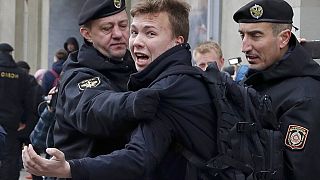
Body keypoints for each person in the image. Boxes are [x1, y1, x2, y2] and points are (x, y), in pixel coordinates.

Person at [22, 0, 218, 179]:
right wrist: (134, 102)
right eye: (107, 28)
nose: (118, 34)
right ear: (87, 34)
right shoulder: (78, 74)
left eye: (123, 26)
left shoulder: (142, 69)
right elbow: (93, 108)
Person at [233, 0, 320, 179]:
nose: (245, 47)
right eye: (242, 35)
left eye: (255, 36)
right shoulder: (256, 80)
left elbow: (298, 172)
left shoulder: (304, 97)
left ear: (284, 38)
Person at [0, 43, 33, 180]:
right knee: (10, 156)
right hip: (12, 122)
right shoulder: (21, 74)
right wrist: (24, 121)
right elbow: (28, 100)